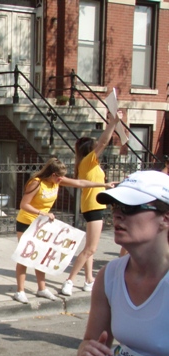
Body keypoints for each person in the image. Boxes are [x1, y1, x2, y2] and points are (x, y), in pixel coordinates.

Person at [77, 170, 169, 356]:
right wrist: (87, 352)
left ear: (165, 218)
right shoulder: (110, 275)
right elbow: (92, 344)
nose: (118, 216)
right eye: (116, 208)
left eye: (130, 209)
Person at [13, 157, 113, 303]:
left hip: (42, 224)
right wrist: (42, 213)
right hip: (27, 222)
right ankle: (20, 291)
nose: (61, 179)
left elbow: (80, 183)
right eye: (59, 177)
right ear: (52, 174)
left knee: (40, 256)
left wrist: (103, 184)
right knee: (25, 256)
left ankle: (42, 288)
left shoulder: (57, 181)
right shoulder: (36, 183)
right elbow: (24, 204)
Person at [61, 110, 123, 296]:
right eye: (96, 148)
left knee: (90, 247)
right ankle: (69, 281)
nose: (100, 149)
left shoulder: (89, 164)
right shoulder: (89, 161)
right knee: (91, 248)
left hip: (92, 206)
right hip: (94, 207)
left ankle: (89, 280)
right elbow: (104, 141)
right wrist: (113, 123)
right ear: (90, 150)